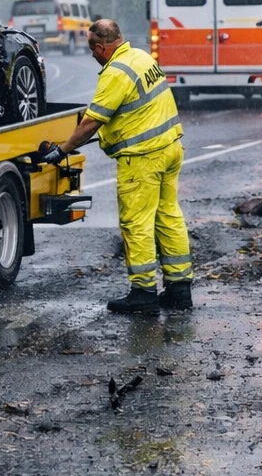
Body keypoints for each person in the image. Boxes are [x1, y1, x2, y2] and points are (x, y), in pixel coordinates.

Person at [40, 19, 193, 313]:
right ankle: (179, 289)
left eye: (91, 49)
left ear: (101, 47)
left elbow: (91, 122)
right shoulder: (142, 57)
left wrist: (61, 151)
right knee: (168, 216)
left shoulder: (115, 73)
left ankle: (144, 292)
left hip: (143, 159)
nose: (91, 54)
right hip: (171, 148)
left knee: (137, 224)